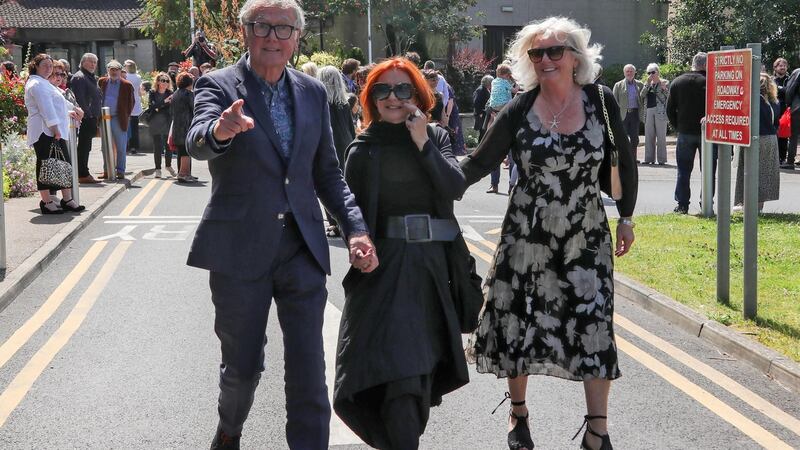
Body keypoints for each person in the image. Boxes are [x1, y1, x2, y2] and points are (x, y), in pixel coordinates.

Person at [184, 0, 376, 448]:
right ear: (245, 31)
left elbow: (327, 172)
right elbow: (197, 141)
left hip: (301, 248)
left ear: (297, 37)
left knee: (310, 369)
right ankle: (230, 429)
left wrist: (356, 230)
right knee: (243, 366)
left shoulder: (311, 91)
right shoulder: (217, 84)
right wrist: (220, 131)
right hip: (239, 250)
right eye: (262, 26)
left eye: (283, 28)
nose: (273, 36)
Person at [459, 17, 638, 450]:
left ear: (575, 57)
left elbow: (623, 160)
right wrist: (423, 157)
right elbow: (475, 165)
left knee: (593, 323)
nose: (545, 60)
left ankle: (598, 430)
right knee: (517, 322)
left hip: (586, 234)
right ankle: (518, 415)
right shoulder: (519, 107)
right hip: (527, 236)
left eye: (554, 51)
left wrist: (627, 216)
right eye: (536, 53)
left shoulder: (599, 101)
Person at [333, 56, 469, 450]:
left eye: (402, 89)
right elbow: (352, 216)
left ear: (418, 95)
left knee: (417, 378)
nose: (393, 97)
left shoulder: (436, 139)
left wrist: (422, 142)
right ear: (371, 98)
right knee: (396, 379)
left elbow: (453, 187)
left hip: (429, 272)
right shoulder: (363, 150)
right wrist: (358, 245)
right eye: (382, 90)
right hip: (382, 273)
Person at [24, 54, 86, 214]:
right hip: (44, 131)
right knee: (45, 166)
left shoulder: (45, 83)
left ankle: (67, 199)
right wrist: (56, 129)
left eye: (50, 66)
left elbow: (60, 100)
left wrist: (74, 109)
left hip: (53, 131)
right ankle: (46, 201)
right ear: (36, 66)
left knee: (64, 164)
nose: (48, 68)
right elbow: (46, 108)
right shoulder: (36, 84)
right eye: (44, 65)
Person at [667, 52, 715, 214]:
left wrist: (678, 126)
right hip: (707, 132)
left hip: (685, 131)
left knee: (683, 170)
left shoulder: (677, 82)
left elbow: (669, 110)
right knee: (708, 170)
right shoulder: (712, 82)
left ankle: (682, 204)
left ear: (693, 64)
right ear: (706, 65)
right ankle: (706, 202)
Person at [318, 65, 356, 236]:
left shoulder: (320, 104)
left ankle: (334, 223)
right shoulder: (345, 103)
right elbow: (351, 128)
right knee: (344, 184)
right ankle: (345, 220)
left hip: (329, 145)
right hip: (346, 145)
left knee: (326, 182)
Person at [734, 73, 781, 211]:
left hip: (755, 138)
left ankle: (746, 204)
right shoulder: (774, 101)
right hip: (771, 139)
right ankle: (759, 206)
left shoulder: (753, 100)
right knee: (765, 174)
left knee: (747, 170)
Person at [98, 60, 135, 179]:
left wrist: (125, 114)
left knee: (121, 146)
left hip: (118, 118)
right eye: (111, 69)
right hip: (104, 117)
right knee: (105, 147)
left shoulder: (127, 85)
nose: (114, 72)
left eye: (116, 70)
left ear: (120, 71)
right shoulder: (102, 81)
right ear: (108, 70)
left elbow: (131, 102)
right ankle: (107, 170)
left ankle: (120, 170)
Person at [70, 53, 103, 184]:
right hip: (85, 118)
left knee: (86, 146)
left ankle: (83, 172)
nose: (93, 65)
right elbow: (80, 99)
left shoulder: (90, 77)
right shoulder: (80, 77)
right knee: (83, 147)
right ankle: (82, 174)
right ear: (83, 62)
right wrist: (88, 114)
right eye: (90, 62)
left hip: (91, 116)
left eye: (95, 62)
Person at [486, 64, 519, 194]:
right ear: (507, 75)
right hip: (503, 119)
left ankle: (503, 185)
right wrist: (514, 82)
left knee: (508, 157)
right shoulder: (507, 83)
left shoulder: (494, 82)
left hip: (501, 116)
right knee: (501, 156)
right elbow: (515, 90)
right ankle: (501, 185)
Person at [612, 64, 644, 159]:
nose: (629, 73)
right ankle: (623, 157)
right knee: (622, 137)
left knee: (634, 138)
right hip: (623, 114)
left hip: (635, 114)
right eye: (627, 71)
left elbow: (643, 99)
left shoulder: (640, 84)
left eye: (631, 71)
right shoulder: (618, 85)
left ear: (634, 73)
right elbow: (614, 101)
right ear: (624, 73)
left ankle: (633, 158)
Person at [640, 63, 669, 165]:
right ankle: (649, 159)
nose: (651, 74)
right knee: (649, 136)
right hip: (649, 111)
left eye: (653, 72)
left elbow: (669, 97)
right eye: (649, 73)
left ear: (658, 72)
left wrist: (664, 88)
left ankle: (661, 160)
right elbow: (642, 95)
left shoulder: (665, 82)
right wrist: (647, 84)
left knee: (661, 137)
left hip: (660, 111)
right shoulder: (647, 83)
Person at [147, 72, 175, 179]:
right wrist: (164, 102)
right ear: (158, 82)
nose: (165, 83)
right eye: (162, 80)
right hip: (155, 122)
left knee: (169, 146)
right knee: (157, 147)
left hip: (167, 122)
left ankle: (168, 166)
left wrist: (159, 106)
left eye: (167, 81)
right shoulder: (152, 93)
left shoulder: (171, 93)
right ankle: (158, 169)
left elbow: (168, 108)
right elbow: (151, 107)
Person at [170, 72, 197, 182]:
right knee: (186, 152)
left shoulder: (176, 93)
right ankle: (183, 174)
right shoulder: (188, 94)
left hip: (177, 126)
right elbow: (195, 108)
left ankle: (184, 173)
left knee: (181, 151)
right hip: (187, 126)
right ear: (189, 83)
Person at [782, 60, 800, 169]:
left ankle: (790, 161)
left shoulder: (798, 72)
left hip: (797, 108)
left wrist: (788, 104)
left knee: (793, 136)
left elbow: (790, 90)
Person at [773, 58, 790, 164]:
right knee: (774, 134)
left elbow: (788, 91)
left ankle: (783, 158)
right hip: (774, 110)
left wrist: (779, 89)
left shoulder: (790, 79)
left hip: (785, 111)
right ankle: (775, 158)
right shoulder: (771, 80)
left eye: (784, 65)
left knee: (783, 135)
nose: (783, 67)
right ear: (775, 68)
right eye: (780, 65)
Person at [124, 60, 143, 155]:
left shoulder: (125, 77)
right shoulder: (138, 77)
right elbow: (140, 91)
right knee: (134, 127)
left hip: (127, 103)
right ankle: (134, 146)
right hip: (136, 102)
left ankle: (127, 146)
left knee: (126, 126)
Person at [473, 74, 493, 141]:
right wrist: (480, 113)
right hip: (481, 114)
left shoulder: (485, 89)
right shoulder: (480, 90)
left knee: (484, 132)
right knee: (482, 132)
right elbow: (476, 102)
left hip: (484, 114)